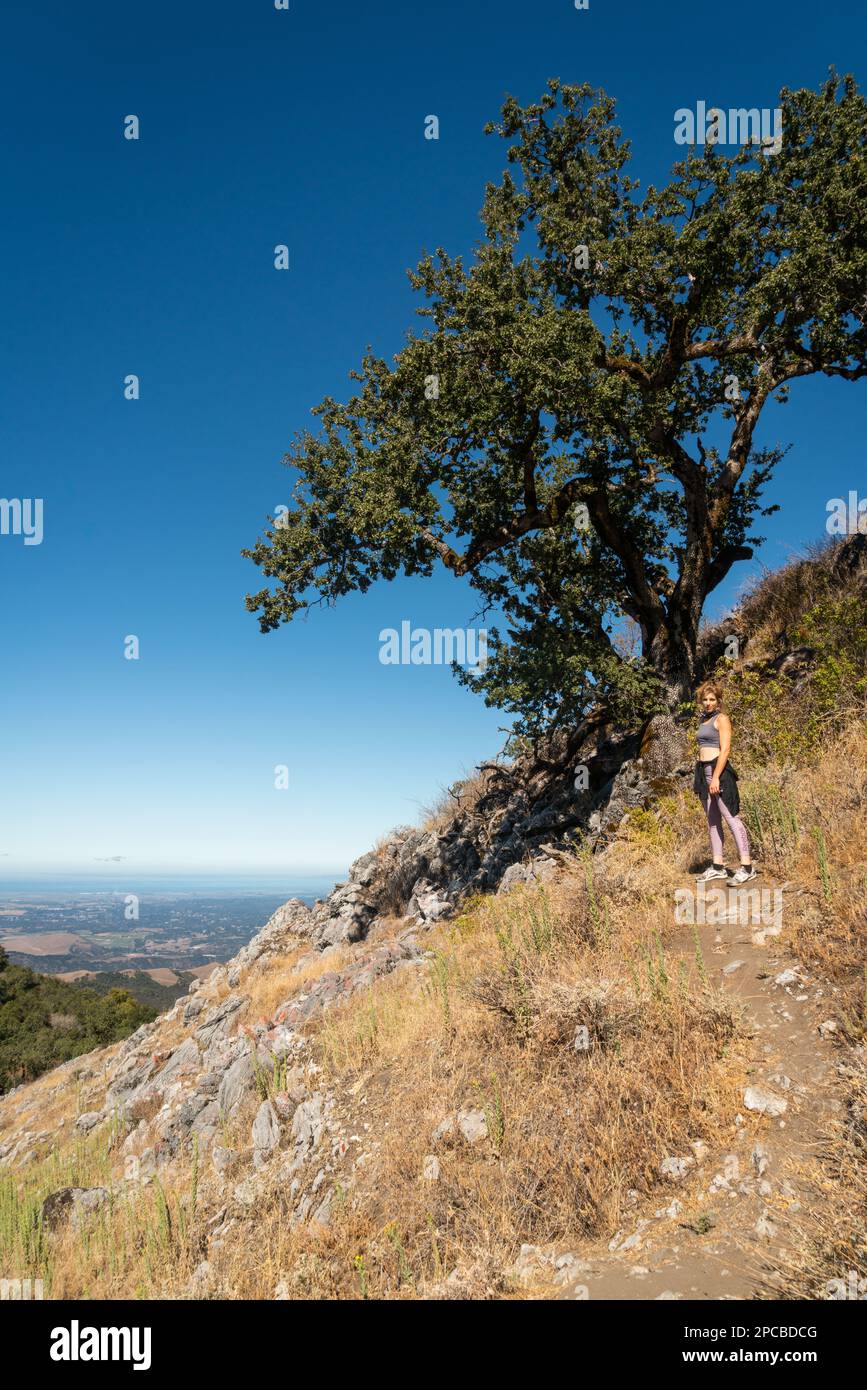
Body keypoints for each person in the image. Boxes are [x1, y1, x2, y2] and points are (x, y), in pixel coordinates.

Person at [693, 681, 756, 883]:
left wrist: (717, 777)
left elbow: (725, 749)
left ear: (719, 701)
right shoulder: (704, 720)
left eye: (712, 699)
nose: (708, 703)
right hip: (703, 772)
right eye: (705, 699)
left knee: (731, 818)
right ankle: (718, 866)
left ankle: (747, 867)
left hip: (718, 773)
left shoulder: (722, 719)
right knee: (712, 821)